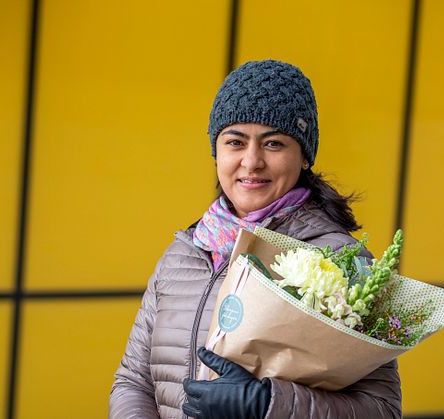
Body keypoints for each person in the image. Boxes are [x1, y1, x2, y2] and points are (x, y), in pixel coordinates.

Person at [109, 60, 401, 419]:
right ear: (217, 152)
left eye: (273, 143)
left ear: (304, 156)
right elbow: (133, 381)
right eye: (235, 142)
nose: (251, 161)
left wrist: (266, 403)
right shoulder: (183, 254)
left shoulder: (339, 261)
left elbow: (382, 410)